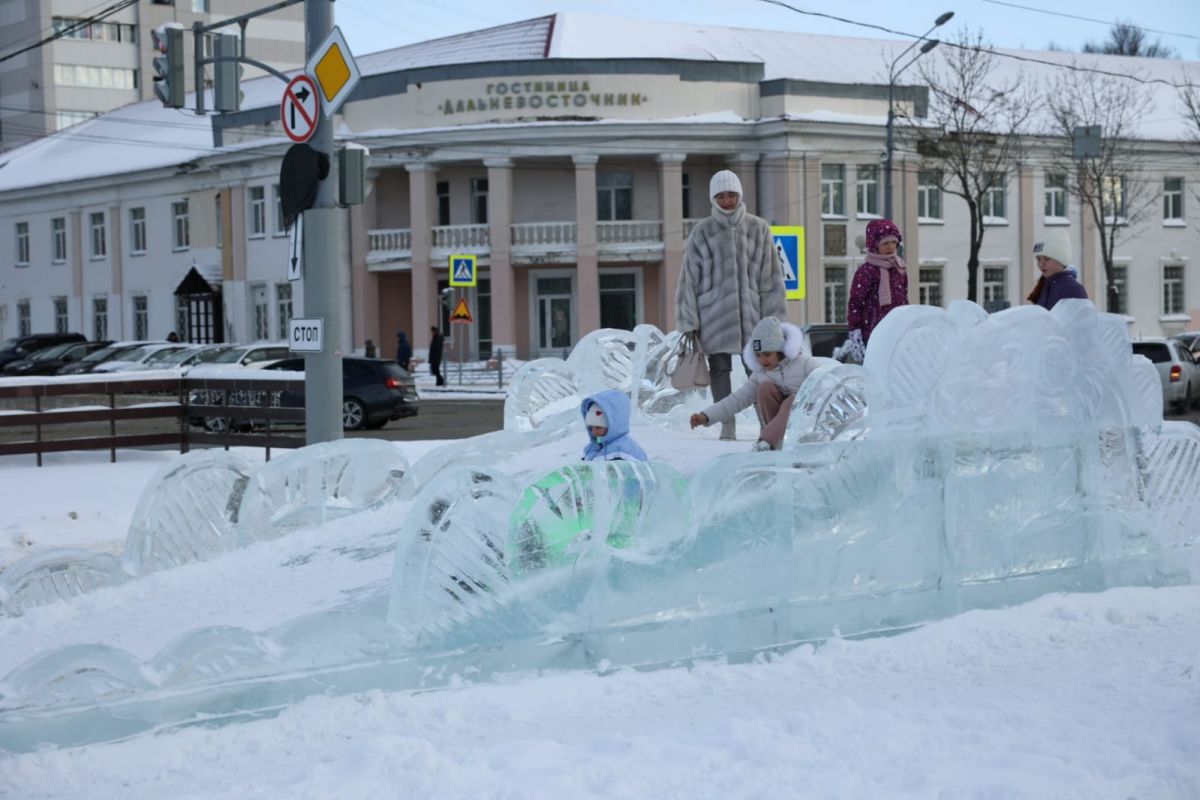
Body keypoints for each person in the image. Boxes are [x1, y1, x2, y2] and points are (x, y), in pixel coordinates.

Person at [675, 169, 787, 441]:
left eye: (732, 195)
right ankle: (727, 424)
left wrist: (775, 320)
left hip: (754, 316)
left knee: (760, 371)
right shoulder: (702, 232)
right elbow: (688, 278)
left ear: (740, 195)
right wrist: (689, 320)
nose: (727, 201)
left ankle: (766, 423)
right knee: (720, 369)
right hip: (714, 314)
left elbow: (772, 276)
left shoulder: (758, 228)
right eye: (721, 196)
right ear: (713, 198)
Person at [689, 316, 818, 452]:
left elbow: (833, 375)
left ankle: (767, 442)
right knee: (765, 388)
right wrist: (706, 416)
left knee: (792, 400)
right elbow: (737, 400)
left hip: (807, 422)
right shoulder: (760, 374)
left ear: (780, 350)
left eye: (767, 354)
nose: (762, 360)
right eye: (758, 355)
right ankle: (775, 441)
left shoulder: (805, 364)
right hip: (778, 428)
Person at [842, 218, 909, 363]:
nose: (891, 247)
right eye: (885, 243)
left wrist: (907, 323)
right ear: (874, 245)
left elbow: (904, 299)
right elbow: (855, 304)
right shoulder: (866, 271)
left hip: (897, 332)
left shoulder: (899, 268)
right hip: (873, 333)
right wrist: (856, 334)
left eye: (894, 242)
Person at [1027, 229, 1088, 310]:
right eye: (1038, 259)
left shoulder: (1072, 288)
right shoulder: (1044, 286)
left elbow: (1083, 319)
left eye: (1047, 259)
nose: (1041, 264)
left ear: (1061, 260)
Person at [580, 389, 647, 462]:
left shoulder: (624, 451)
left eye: (598, 427)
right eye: (591, 427)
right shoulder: (590, 449)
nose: (594, 431)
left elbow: (635, 472)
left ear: (613, 426)